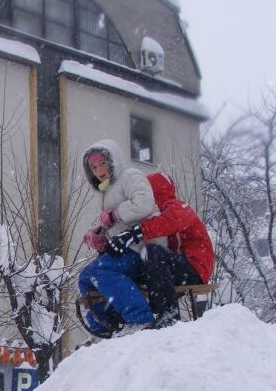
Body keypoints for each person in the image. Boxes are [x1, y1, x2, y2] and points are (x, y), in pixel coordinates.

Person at [105, 172, 215, 327]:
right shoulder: (154, 214)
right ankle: (123, 320)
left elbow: (167, 222)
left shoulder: (177, 207)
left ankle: (167, 313)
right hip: (177, 268)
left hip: (195, 266)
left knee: (151, 253)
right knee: (138, 264)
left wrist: (134, 233)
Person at [78, 139, 160, 336]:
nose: (99, 170)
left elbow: (144, 203)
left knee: (102, 270)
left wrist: (114, 214)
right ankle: (106, 327)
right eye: (94, 167)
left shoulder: (130, 176)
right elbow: (117, 225)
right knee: (85, 278)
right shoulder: (105, 190)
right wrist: (100, 235)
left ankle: (140, 319)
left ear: (112, 160)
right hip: (124, 250)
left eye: (102, 164)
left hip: (142, 247)